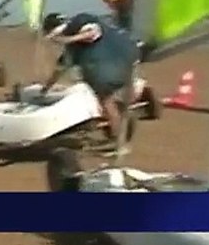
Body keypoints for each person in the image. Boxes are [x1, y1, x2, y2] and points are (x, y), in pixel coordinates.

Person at [40, 11, 140, 152]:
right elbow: (59, 69)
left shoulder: (79, 23)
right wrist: (46, 88)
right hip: (128, 56)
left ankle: (120, 143)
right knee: (112, 99)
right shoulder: (71, 50)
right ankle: (120, 128)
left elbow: (93, 32)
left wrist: (68, 39)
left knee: (106, 101)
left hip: (112, 64)